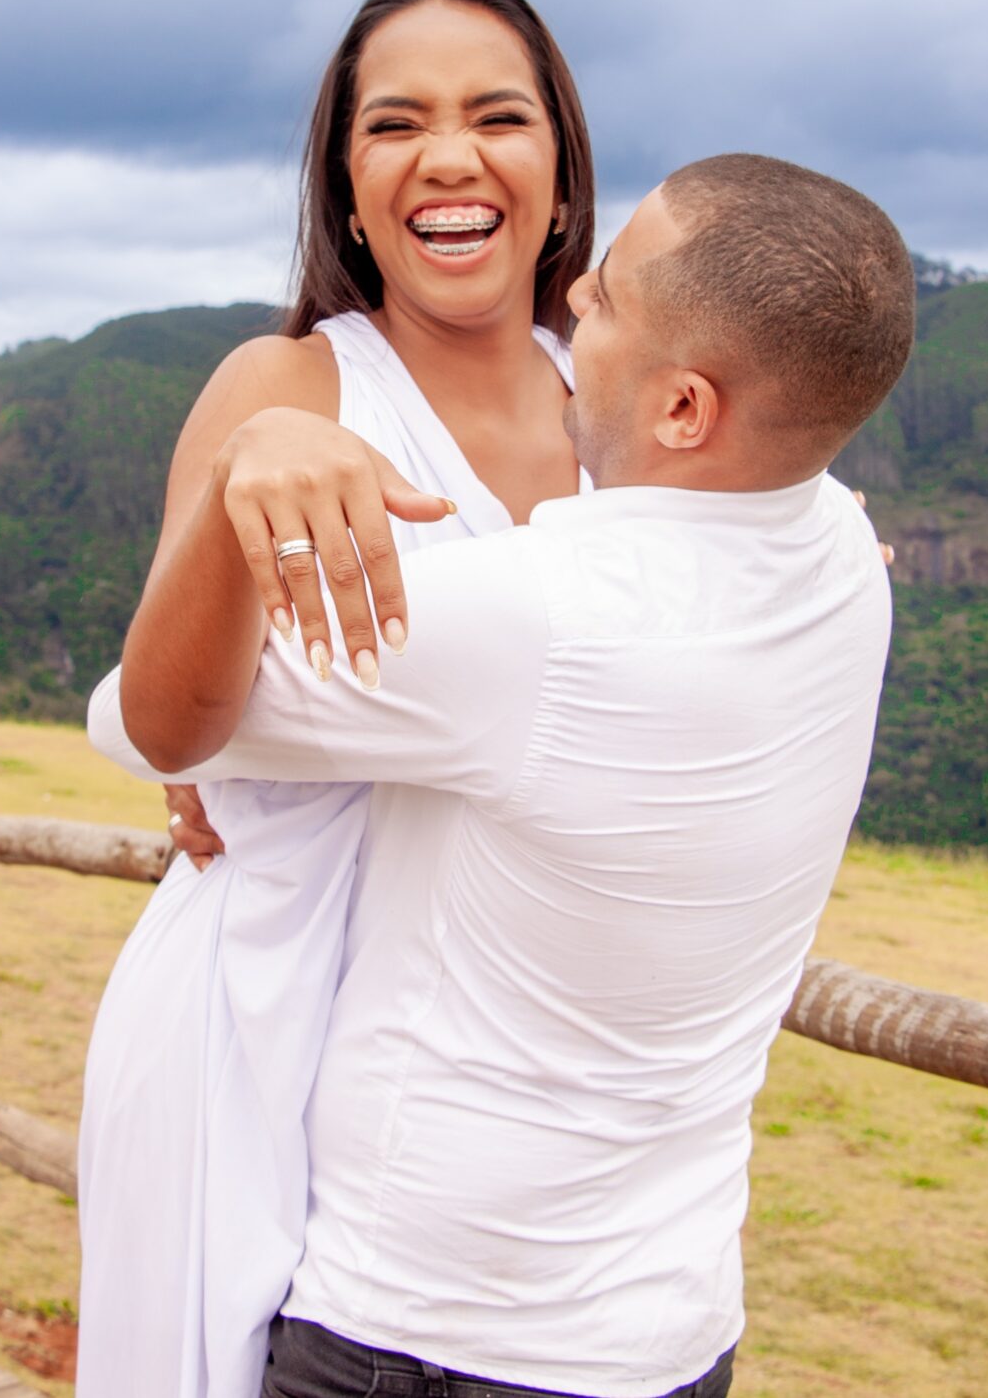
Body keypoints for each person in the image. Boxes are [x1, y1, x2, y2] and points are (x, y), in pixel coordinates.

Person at [104, 153, 916, 1398]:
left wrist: (254, 454)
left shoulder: (537, 621)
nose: (573, 297)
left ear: (686, 409)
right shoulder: (844, 559)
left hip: (427, 1335)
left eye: (606, 298)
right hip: (668, 1332)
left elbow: (149, 718)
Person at [75, 0, 596, 1398]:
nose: (446, 155)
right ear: (348, 190)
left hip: (497, 1069)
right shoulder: (287, 386)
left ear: (559, 177)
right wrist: (251, 476)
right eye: (392, 125)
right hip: (261, 1013)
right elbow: (175, 723)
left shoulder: (612, 402)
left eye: (498, 114)